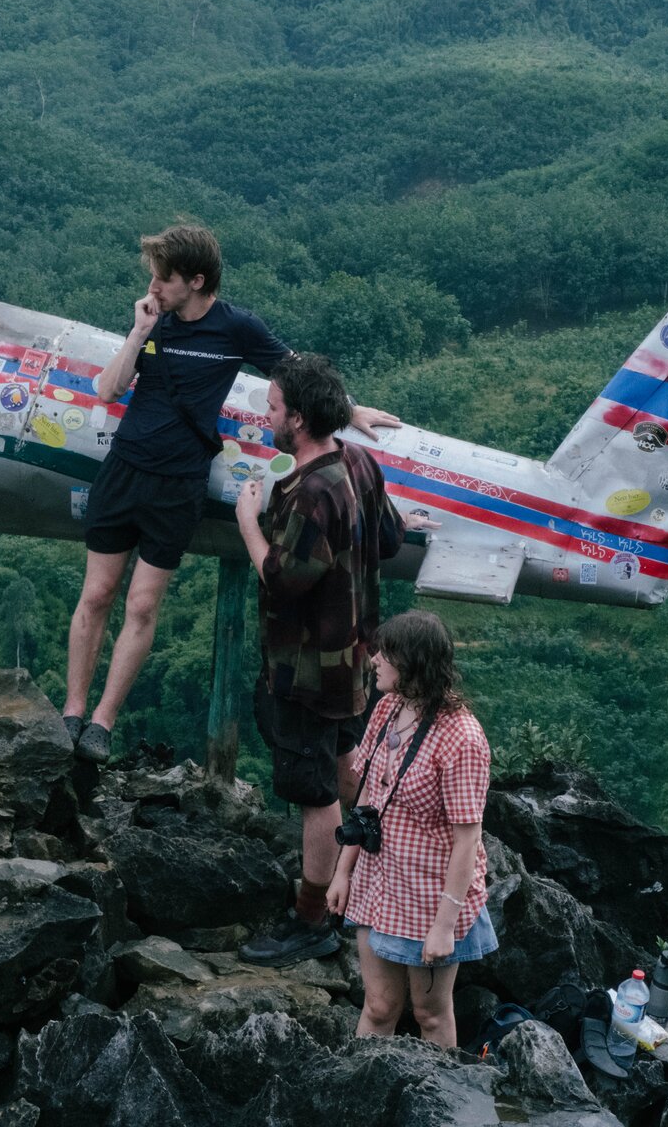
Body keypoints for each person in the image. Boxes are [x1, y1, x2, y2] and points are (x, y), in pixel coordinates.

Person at [61, 222, 400, 763]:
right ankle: (72, 711)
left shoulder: (236, 328)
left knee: (142, 604)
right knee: (97, 595)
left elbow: (295, 372)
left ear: (196, 281)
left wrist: (349, 410)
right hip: (125, 468)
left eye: (163, 279)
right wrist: (138, 331)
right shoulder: (154, 322)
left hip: (179, 481)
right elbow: (108, 389)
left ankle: (103, 720)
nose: (153, 287)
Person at [232, 354, 376, 969]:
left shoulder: (314, 492)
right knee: (344, 761)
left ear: (297, 418)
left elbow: (281, 578)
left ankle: (312, 919)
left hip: (309, 671)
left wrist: (248, 520)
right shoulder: (361, 463)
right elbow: (390, 538)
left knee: (315, 792)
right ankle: (362, 872)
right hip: (356, 660)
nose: (264, 415)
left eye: (271, 408)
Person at [328, 609, 495, 1048]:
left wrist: (444, 924)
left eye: (387, 652)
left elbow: (467, 840)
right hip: (379, 881)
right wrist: (344, 871)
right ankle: (357, 1093)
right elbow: (368, 799)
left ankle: (443, 1106)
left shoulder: (462, 737)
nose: (374, 659)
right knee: (379, 1005)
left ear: (414, 663)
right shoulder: (387, 708)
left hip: (429, 895)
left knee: (431, 1014)